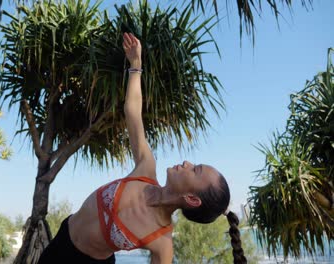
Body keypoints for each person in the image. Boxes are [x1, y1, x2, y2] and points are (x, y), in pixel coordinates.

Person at [38, 33, 247, 264]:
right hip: (60, 243)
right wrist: (135, 66)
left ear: (192, 198)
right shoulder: (145, 169)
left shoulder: (162, 243)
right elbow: (133, 112)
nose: (187, 163)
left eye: (195, 170)